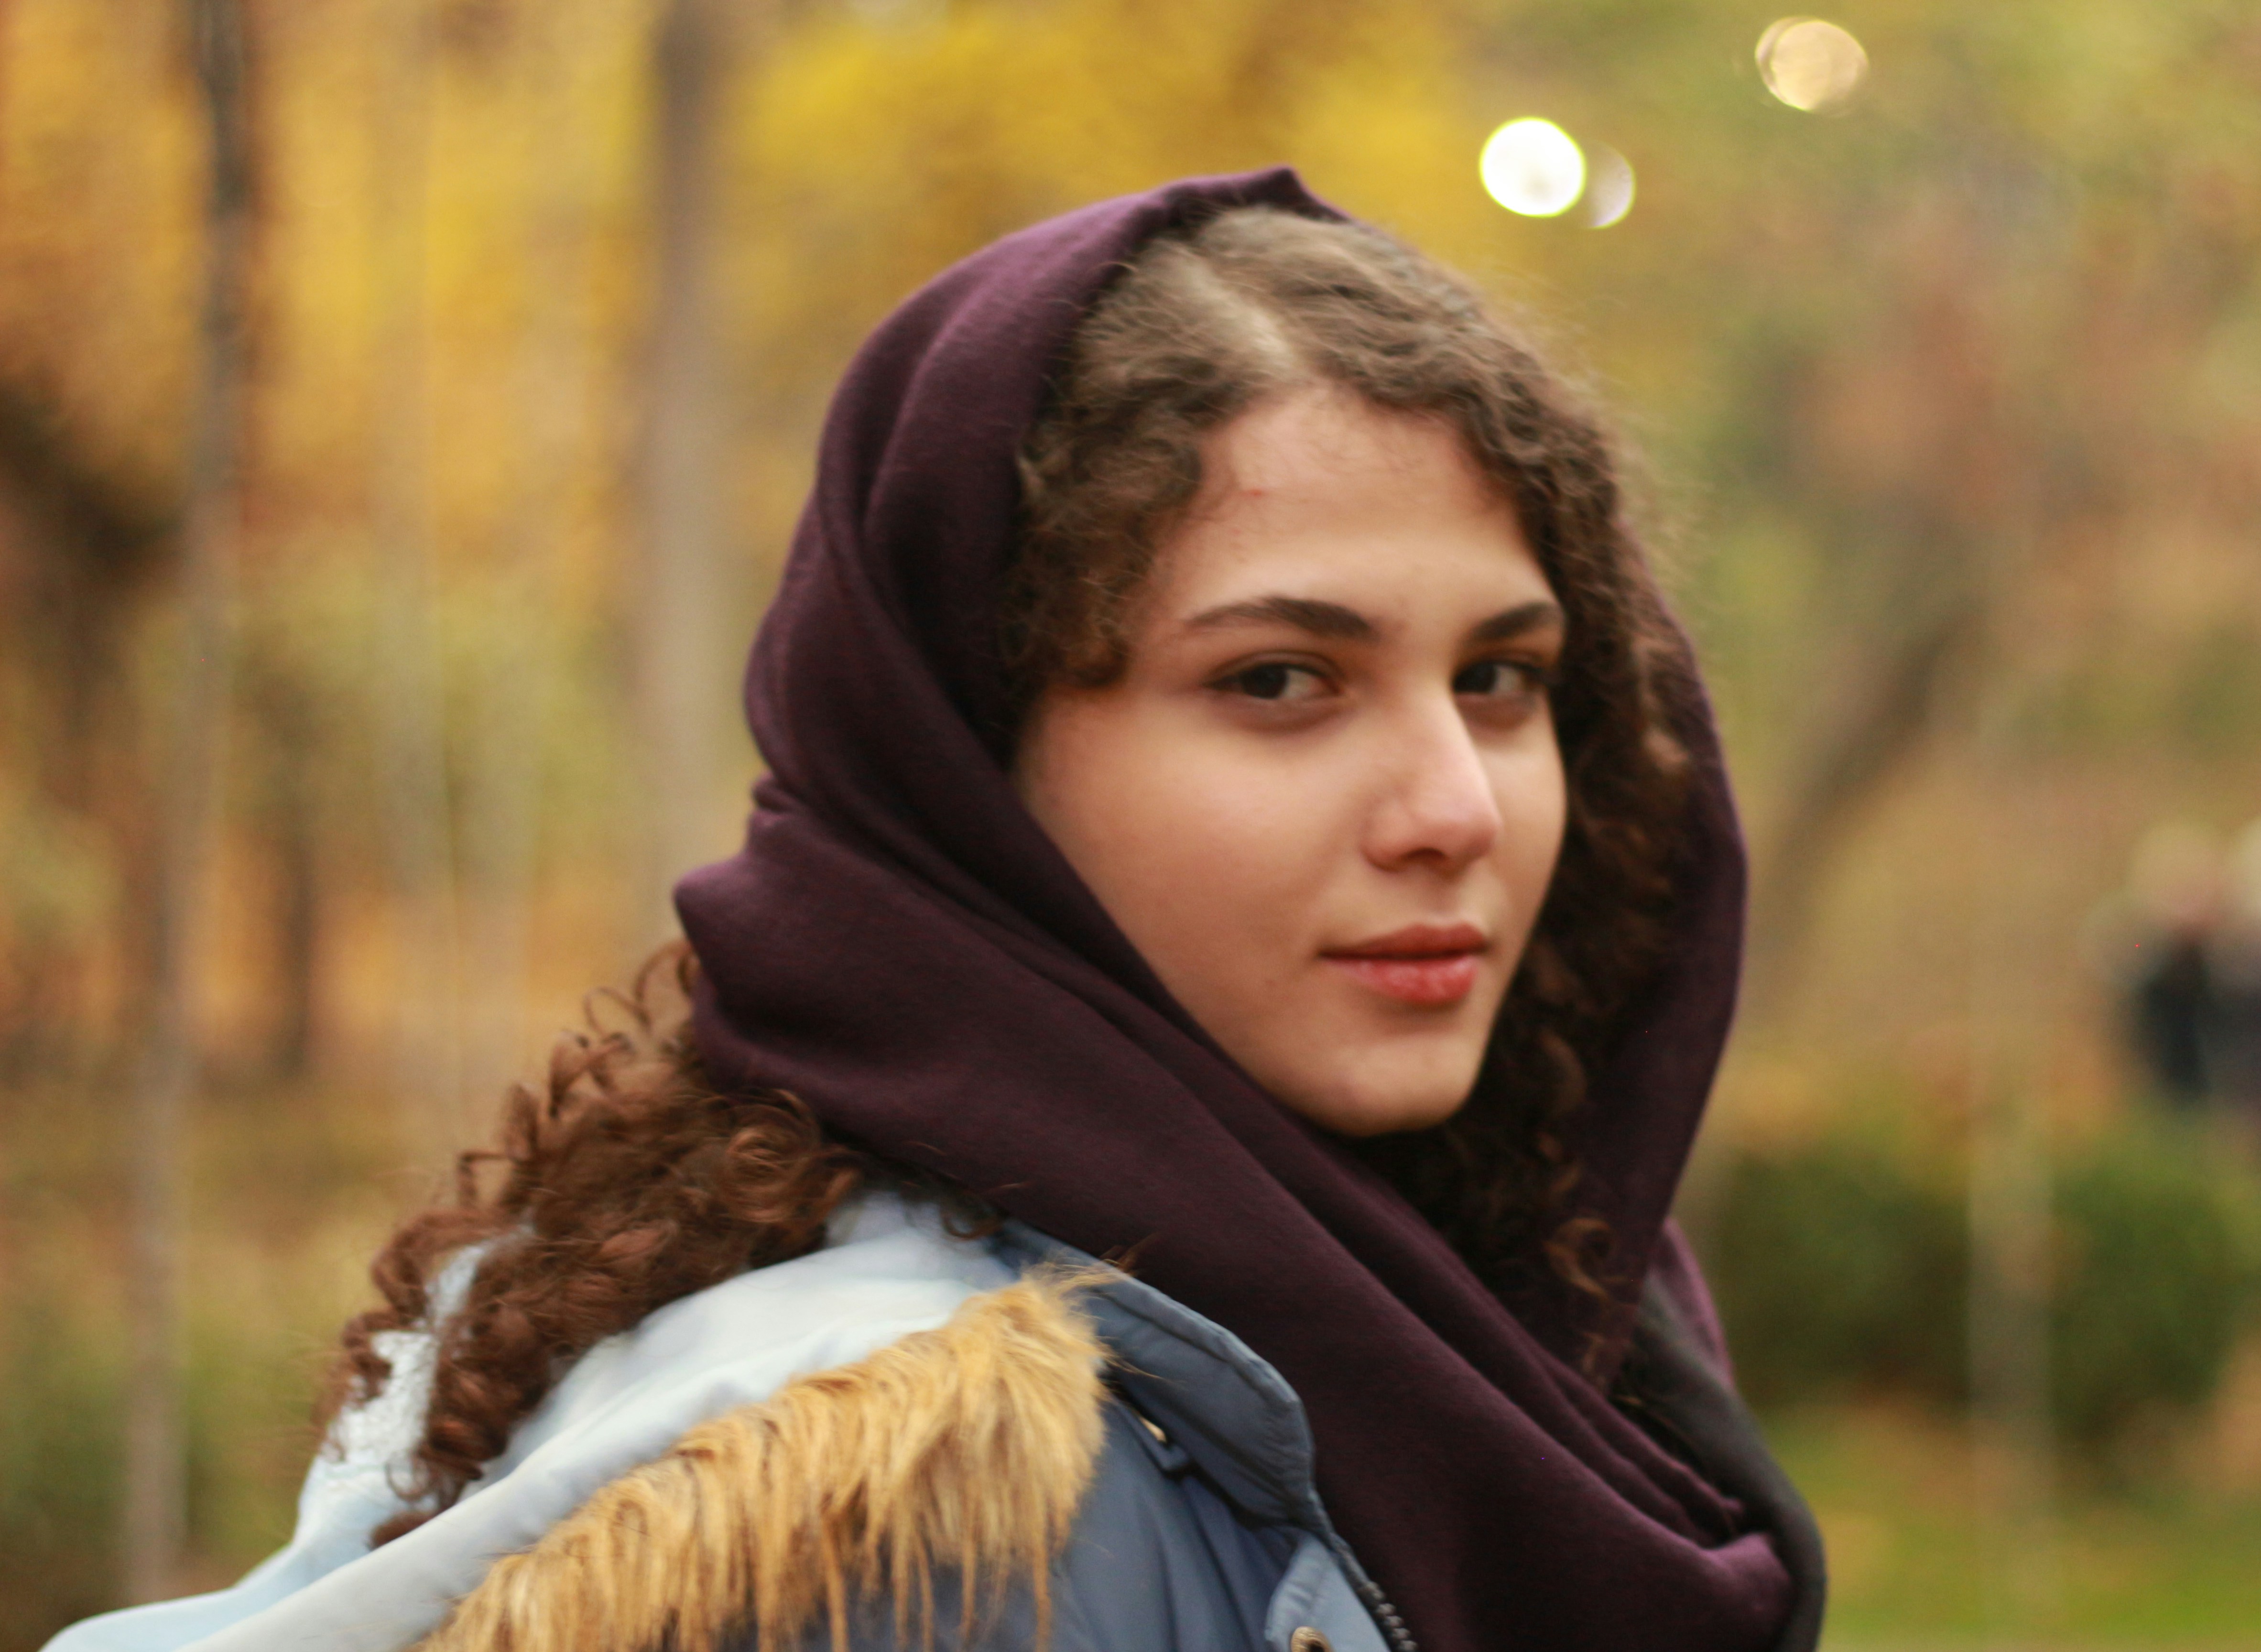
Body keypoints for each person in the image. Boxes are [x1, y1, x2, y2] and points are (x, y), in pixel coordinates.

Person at [48, 169, 1821, 1652]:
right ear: (967, 765)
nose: (1454, 808)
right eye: (1283, 681)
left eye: (1504, 680)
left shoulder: (1487, 1313)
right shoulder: (918, 1512)